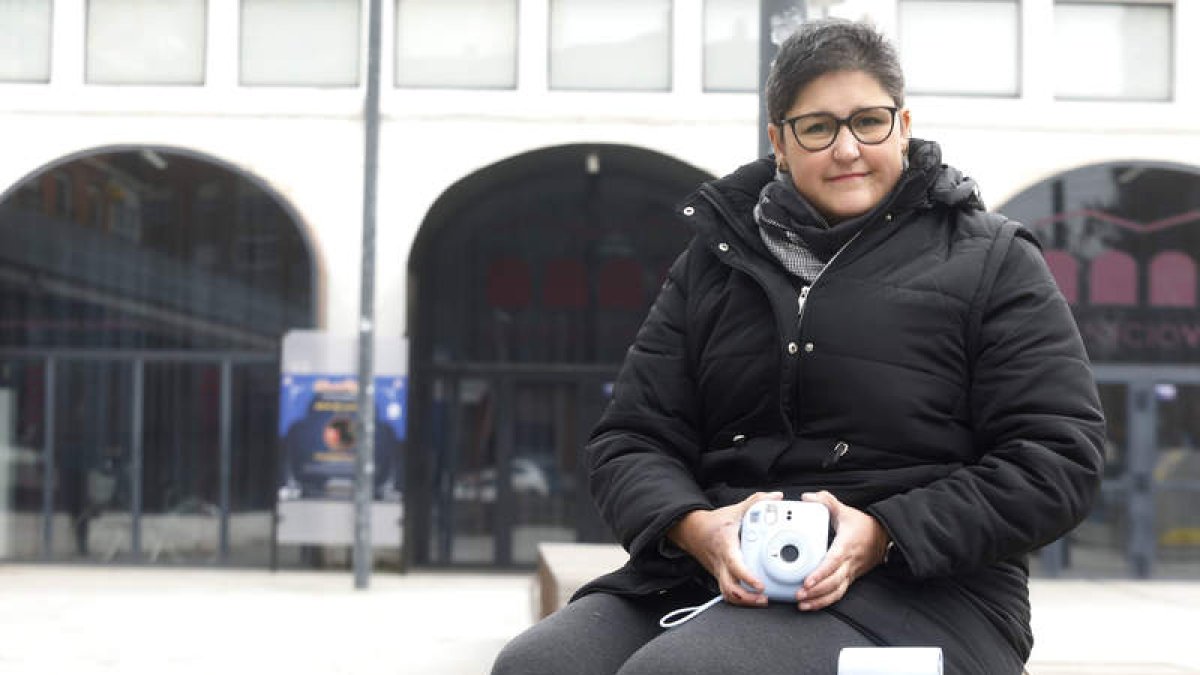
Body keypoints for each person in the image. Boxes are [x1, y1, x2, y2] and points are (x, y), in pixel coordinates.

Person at [491, 18, 1104, 675]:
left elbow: (1059, 456)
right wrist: (697, 527)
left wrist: (887, 532)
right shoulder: (714, 263)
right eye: (818, 127)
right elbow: (629, 440)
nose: (847, 149)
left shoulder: (991, 258)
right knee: (538, 664)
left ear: (903, 124)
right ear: (779, 142)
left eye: (868, 120)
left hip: (923, 594)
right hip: (709, 577)